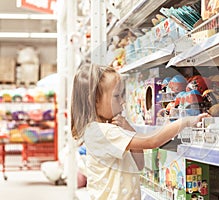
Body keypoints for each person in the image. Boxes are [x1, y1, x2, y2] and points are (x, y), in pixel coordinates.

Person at [71, 63, 210, 200]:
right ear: (94, 100)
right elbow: (152, 141)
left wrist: (129, 130)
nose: (122, 101)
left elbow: (138, 164)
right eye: (116, 96)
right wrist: (184, 121)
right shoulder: (104, 132)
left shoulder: (103, 131)